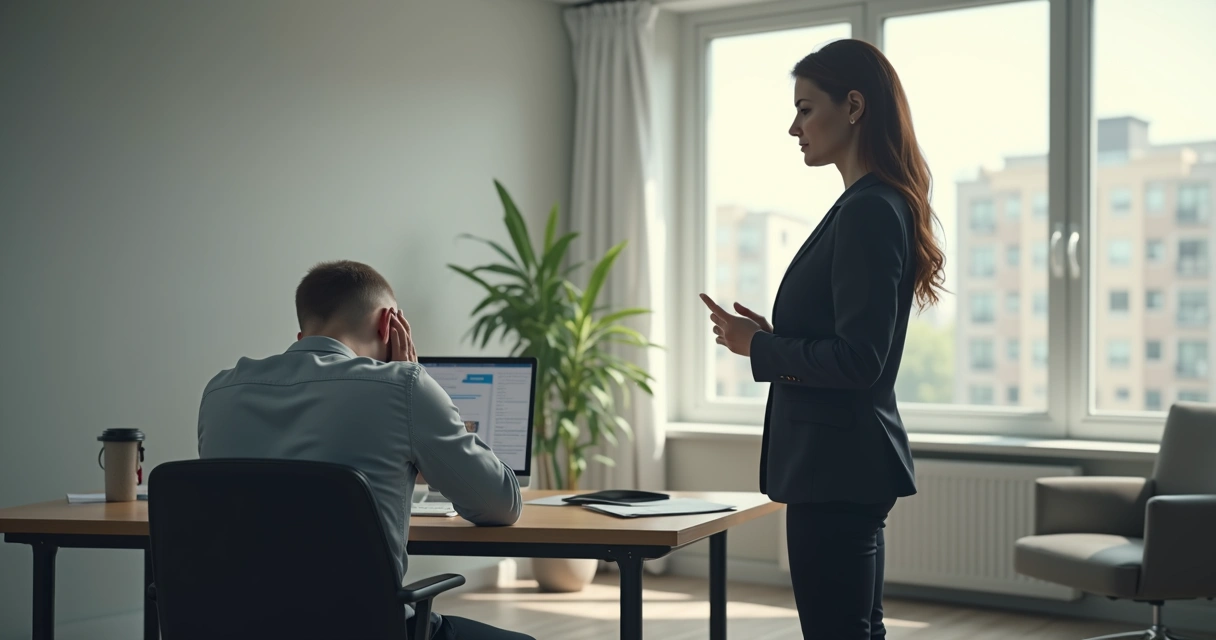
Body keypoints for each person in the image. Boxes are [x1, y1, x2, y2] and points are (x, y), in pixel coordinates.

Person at [699, 39, 946, 639]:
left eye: (806, 109)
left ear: (854, 106)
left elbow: (860, 360)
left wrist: (755, 347)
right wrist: (772, 337)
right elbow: (848, 341)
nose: (793, 127)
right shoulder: (866, 204)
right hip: (845, 466)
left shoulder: (868, 210)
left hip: (836, 469)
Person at [198, 260, 533, 640]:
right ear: (388, 324)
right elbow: (501, 504)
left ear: (302, 334)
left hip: (239, 627)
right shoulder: (403, 386)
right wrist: (412, 382)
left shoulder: (219, 393)